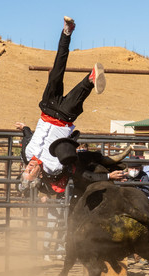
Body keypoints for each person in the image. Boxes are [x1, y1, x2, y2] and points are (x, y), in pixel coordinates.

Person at [15, 16, 106, 191]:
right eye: (31, 171)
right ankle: (93, 77)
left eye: (26, 169)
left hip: (48, 108)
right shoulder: (54, 167)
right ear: (39, 175)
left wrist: (25, 127)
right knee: (83, 89)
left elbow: (28, 137)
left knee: (57, 69)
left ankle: (67, 32)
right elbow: (69, 157)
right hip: (64, 117)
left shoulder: (26, 154)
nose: (29, 167)